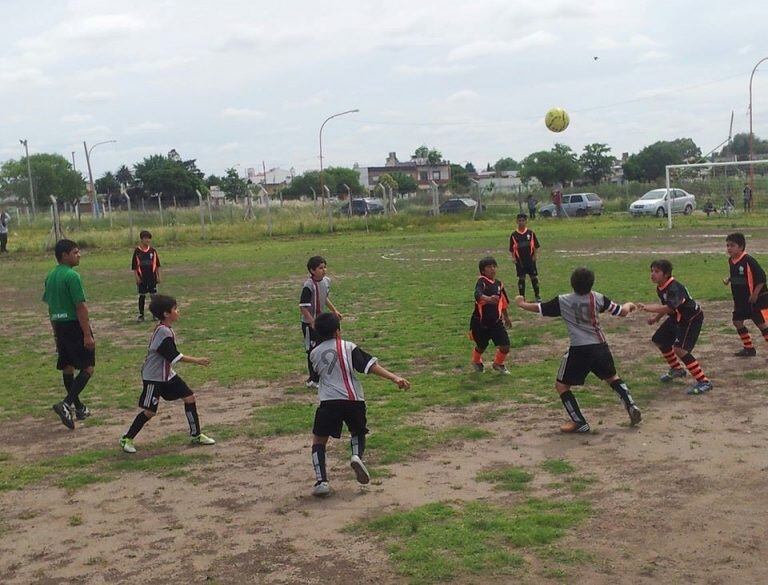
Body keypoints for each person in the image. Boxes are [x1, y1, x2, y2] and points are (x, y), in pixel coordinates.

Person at [514, 267, 641, 433]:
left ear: (572, 283)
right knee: (612, 377)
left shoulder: (563, 300)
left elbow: (540, 308)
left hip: (579, 349)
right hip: (600, 347)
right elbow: (622, 312)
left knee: (562, 386)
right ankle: (630, 405)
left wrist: (522, 303)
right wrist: (629, 304)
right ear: (591, 283)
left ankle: (579, 421)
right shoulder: (598, 298)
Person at [308, 312, 410, 497]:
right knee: (358, 432)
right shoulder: (348, 347)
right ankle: (356, 456)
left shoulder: (314, 354)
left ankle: (322, 481)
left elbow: (314, 378)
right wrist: (395, 378)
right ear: (338, 331)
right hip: (354, 400)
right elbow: (369, 366)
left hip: (329, 402)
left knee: (319, 440)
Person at [119, 294, 215, 453]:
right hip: (154, 378)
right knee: (150, 412)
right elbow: (174, 356)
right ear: (166, 314)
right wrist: (197, 360)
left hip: (167, 375)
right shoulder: (163, 332)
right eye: (175, 309)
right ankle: (127, 438)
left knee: (189, 397)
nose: (178, 311)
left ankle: (196, 435)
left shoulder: (165, 329)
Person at [638, 259, 712, 395]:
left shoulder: (674, 287)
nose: (652, 274)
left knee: (680, 350)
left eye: (656, 271)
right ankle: (677, 369)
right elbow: (668, 308)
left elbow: (670, 306)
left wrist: (649, 309)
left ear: (666, 274)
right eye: (652, 271)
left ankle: (704, 381)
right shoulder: (661, 287)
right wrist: (656, 318)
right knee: (659, 339)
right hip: (676, 317)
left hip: (690, 319)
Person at [43, 239, 95, 429]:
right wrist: (87, 334)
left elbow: (50, 308)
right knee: (88, 367)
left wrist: (56, 335)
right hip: (74, 325)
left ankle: (79, 407)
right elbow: (80, 307)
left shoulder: (50, 276)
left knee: (68, 366)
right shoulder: (72, 276)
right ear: (64, 256)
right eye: (75, 252)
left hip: (60, 326)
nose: (79, 255)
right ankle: (66, 404)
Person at [299, 256, 343, 388]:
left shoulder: (326, 281)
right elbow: (303, 307)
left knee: (325, 346)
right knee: (312, 350)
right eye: (320, 268)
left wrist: (334, 311)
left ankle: (324, 375)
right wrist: (312, 322)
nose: (324, 270)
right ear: (312, 270)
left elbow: (324, 298)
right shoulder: (308, 285)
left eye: (325, 267)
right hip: (309, 324)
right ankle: (313, 379)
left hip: (321, 321)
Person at [723, 232, 768, 357]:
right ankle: (749, 348)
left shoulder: (748, 260)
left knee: (761, 325)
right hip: (740, 299)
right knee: (737, 321)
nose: (729, 248)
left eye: (732, 245)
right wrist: (729, 279)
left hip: (753, 300)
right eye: (727, 245)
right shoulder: (731, 260)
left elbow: (762, 278)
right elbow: (740, 276)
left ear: (741, 247)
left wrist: (754, 295)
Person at [469, 256, 512, 374]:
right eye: (489, 267)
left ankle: (498, 364)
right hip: (480, 322)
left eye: (494, 266)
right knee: (481, 346)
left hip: (496, 321)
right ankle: (476, 361)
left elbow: (503, 301)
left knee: (505, 345)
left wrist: (506, 316)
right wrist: (488, 299)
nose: (492, 269)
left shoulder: (499, 284)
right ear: (483, 271)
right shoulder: (481, 281)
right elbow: (477, 295)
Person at [509, 213, 541, 301]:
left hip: (530, 259)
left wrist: (535, 255)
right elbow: (512, 249)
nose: (521, 223)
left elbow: (535, 246)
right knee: (521, 277)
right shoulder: (514, 235)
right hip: (520, 260)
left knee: (533, 277)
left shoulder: (530, 233)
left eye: (523, 221)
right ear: (516, 222)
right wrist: (513, 258)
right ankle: (522, 297)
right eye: (519, 221)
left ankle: (537, 296)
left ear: (526, 222)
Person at [131, 230, 161, 322]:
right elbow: (135, 267)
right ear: (141, 239)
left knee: (153, 296)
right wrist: (137, 277)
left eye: (149, 238)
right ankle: (141, 315)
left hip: (152, 277)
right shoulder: (137, 251)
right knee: (142, 296)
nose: (147, 240)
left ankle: (155, 314)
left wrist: (158, 276)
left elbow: (157, 265)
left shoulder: (153, 251)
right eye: (145, 238)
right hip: (142, 278)